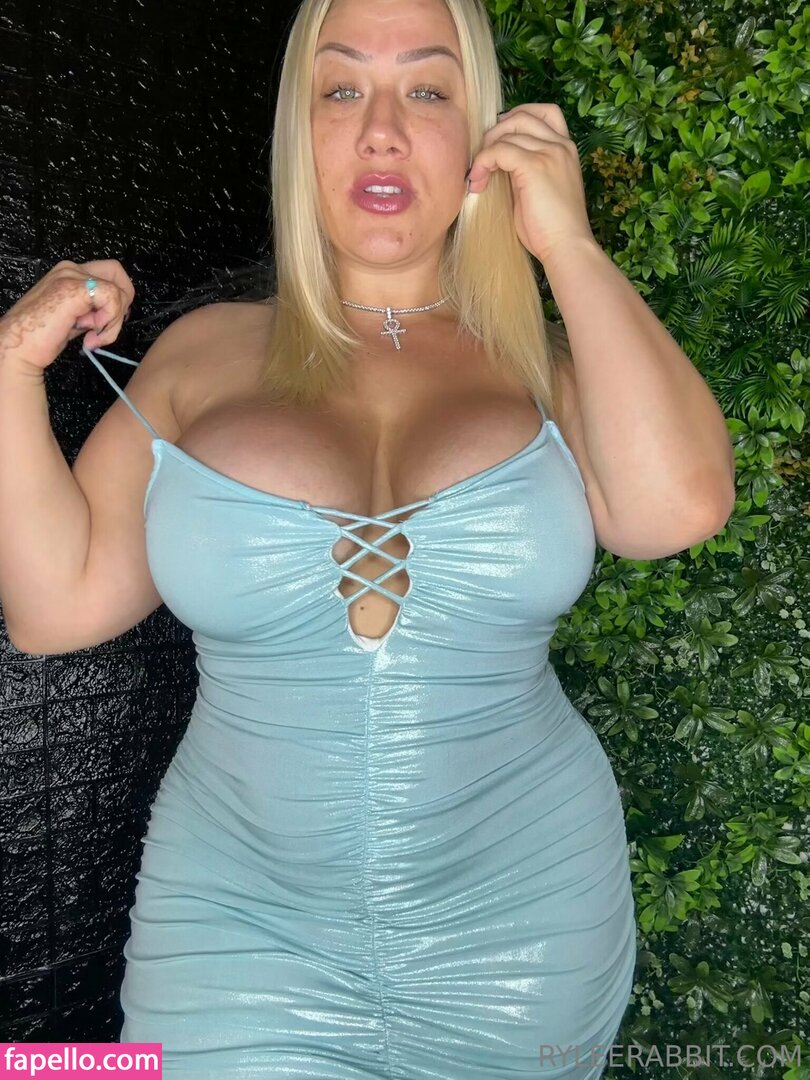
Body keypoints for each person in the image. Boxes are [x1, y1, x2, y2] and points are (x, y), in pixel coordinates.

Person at [0, 0, 641, 1074]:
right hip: (235, 931)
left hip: (525, 923)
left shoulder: (541, 362)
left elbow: (676, 508)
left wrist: (565, 245)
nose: (381, 129)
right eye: (341, 88)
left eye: (426, 89)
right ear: (299, 131)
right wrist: (14, 370)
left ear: (480, 131)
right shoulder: (203, 354)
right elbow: (55, 608)